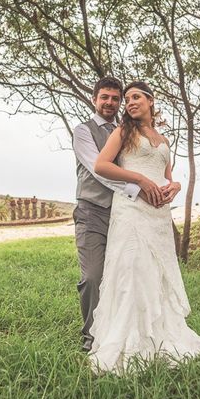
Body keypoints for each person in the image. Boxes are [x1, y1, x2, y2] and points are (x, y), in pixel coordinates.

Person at [89, 80, 200, 374]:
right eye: (127, 99)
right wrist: (139, 180)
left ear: (151, 101)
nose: (129, 103)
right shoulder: (123, 132)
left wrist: (175, 186)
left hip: (158, 216)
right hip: (130, 210)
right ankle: (129, 344)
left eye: (136, 97)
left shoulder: (164, 140)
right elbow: (101, 165)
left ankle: (158, 337)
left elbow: (166, 176)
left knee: (156, 273)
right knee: (133, 269)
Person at [72, 77, 165, 353]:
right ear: (94, 99)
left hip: (123, 214)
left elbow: (149, 163)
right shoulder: (83, 131)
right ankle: (91, 336)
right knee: (93, 276)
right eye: (105, 98)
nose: (110, 103)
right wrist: (138, 187)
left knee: (126, 275)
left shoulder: (126, 131)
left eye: (116, 99)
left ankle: (126, 331)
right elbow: (96, 168)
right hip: (92, 212)